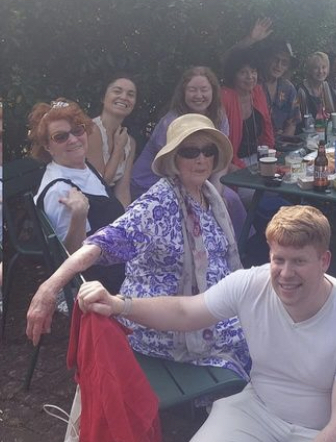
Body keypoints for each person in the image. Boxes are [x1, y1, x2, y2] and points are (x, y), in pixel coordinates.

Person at [75, 205, 336, 442]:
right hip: (257, 412)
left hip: (323, 430)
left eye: (299, 261)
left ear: (323, 261)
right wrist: (119, 305)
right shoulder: (251, 284)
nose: (285, 273)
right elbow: (185, 312)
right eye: (279, 259)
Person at [27, 114, 252, 379]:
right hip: (164, 324)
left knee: (266, 317)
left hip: (202, 307)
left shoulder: (209, 195)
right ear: (174, 160)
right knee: (256, 335)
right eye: (190, 151)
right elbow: (103, 242)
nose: (201, 159)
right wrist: (48, 288)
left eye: (208, 151)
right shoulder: (160, 203)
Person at [130, 66, 247, 237]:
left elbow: (221, 161)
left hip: (195, 177)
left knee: (229, 200)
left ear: (213, 91)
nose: (199, 96)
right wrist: (207, 197)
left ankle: (237, 248)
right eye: (192, 90)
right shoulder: (171, 122)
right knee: (199, 207)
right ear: (183, 93)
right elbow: (172, 168)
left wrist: (216, 194)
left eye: (204, 90)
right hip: (155, 181)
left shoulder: (219, 116)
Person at [29, 98, 125, 291]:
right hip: (107, 283)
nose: (73, 139)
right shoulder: (59, 190)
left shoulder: (83, 165)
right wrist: (79, 216)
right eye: (60, 137)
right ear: (47, 146)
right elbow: (72, 259)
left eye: (77, 130)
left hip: (120, 258)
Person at [86, 74, 138, 207]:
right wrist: (118, 149)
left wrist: (124, 223)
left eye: (130, 94)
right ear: (103, 98)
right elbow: (100, 184)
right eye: (117, 91)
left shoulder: (129, 142)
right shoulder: (91, 130)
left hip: (105, 207)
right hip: (84, 206)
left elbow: (123, 190)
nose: (124, 97)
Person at [221, 46, 275, 171]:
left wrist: (270, 157)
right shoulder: (224, 97)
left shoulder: (257, 91)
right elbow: (222, 145)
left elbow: (267, 128)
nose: (250, 77)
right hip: (232, 164)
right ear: (233, 75)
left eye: (253, 71)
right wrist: (238, 168)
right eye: (243, 72)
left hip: (259, 158)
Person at [260, 40, 302, 138]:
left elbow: (292, 122)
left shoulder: (290, 89)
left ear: (287, 67)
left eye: (284, 63)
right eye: (275, 59)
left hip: (281, 144)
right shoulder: (253, 84)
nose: (278, 65)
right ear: (267, 59)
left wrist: (283, 144)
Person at [297, 52, 336, 132]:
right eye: (316, 68)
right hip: (306, 135)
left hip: (326, 132)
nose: (320, 71)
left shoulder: (327, 87)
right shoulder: (301, 91)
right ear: (310, 70)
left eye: (324, 67)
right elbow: (299, 122)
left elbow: (335, 112)